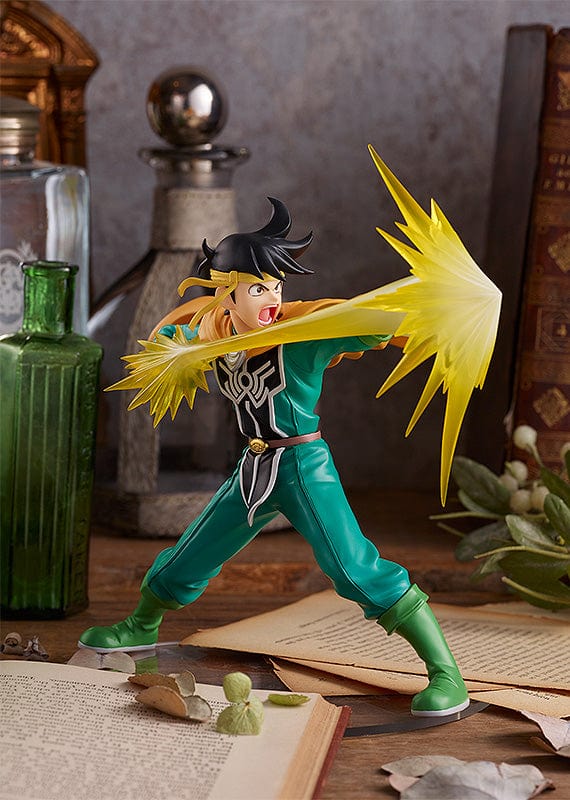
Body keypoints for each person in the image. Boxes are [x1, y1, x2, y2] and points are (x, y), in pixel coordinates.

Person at [80, 198, 469, 717]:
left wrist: (428, 309)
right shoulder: (219, 333)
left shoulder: (302, 336)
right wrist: (177, 348)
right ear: (227, 294)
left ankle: (446, 674)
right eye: (259, 288)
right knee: (193, 553)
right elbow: (171, 338)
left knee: (353, 569)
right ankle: (140, 626)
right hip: (255, 466)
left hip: (304, 467)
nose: (273, 298)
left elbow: (370, 322)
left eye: (277, 286)